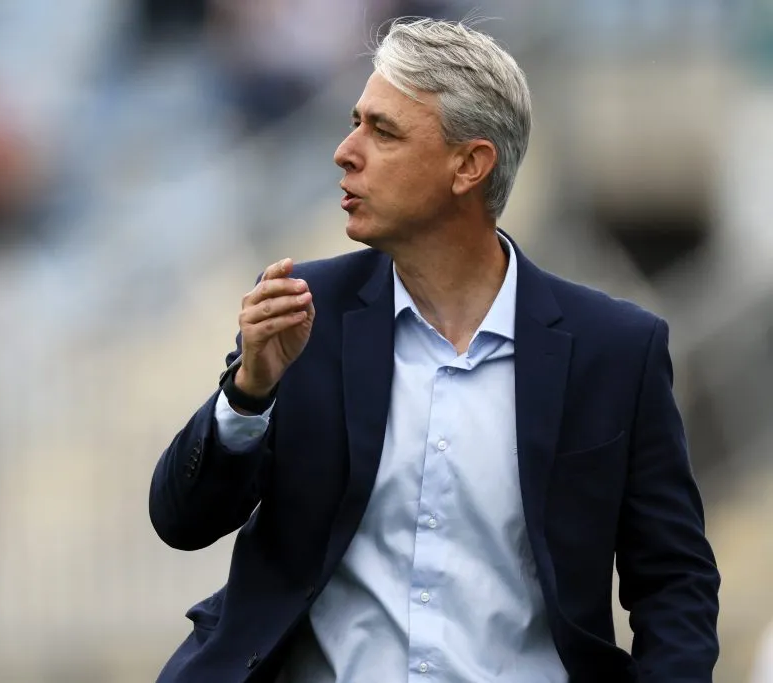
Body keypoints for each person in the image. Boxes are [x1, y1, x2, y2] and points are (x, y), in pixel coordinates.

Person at [149, 18, 720, 683]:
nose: (345, 151)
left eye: (382, 132)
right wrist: (248, 393)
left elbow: (674, 581)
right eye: (355, 121)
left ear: (469, 166)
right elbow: (182, 520)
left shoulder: (615, 350)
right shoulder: (306, 310)